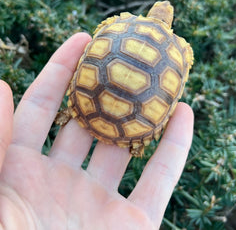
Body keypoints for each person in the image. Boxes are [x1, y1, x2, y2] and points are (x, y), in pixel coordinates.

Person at [0, 33, 194, 230]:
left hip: (89, 105)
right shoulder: (179, 53)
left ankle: (73, 110)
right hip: (133, 127)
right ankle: (135, 144)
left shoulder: (120, 27)